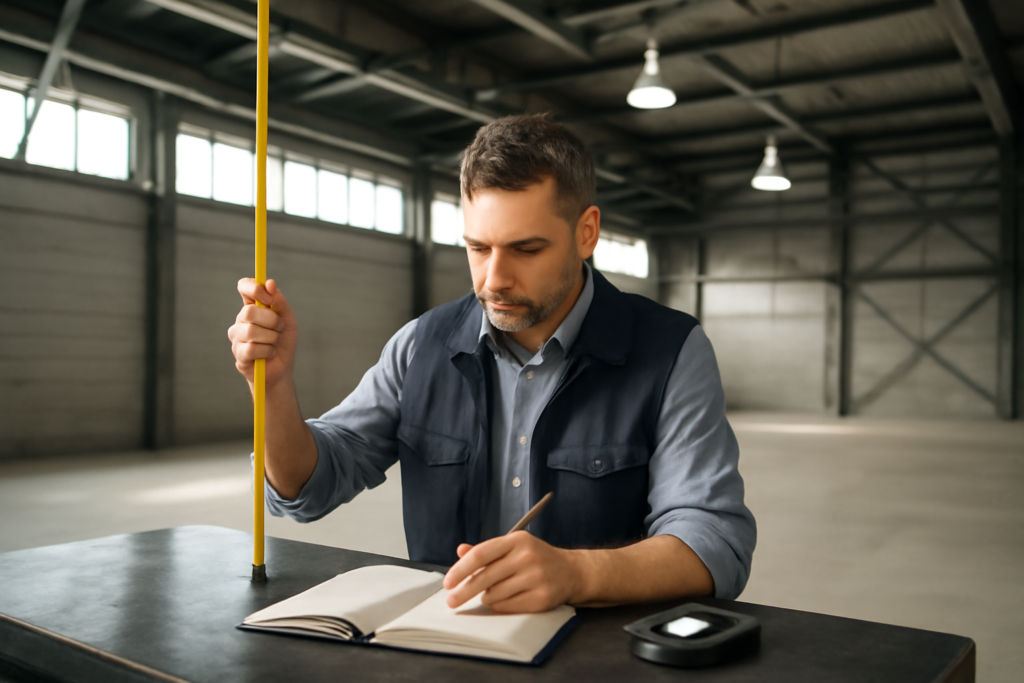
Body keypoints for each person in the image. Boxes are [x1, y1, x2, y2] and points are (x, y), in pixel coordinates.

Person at [228, 114, 755, 615]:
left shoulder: (670, 350)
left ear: (586, 232)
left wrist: (577, 575)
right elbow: (307, 488)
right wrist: (272, 388)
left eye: (526, 249)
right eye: (478, 248)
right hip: (445, 643)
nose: (493, 279)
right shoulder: (420, 345)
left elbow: (714, 541)